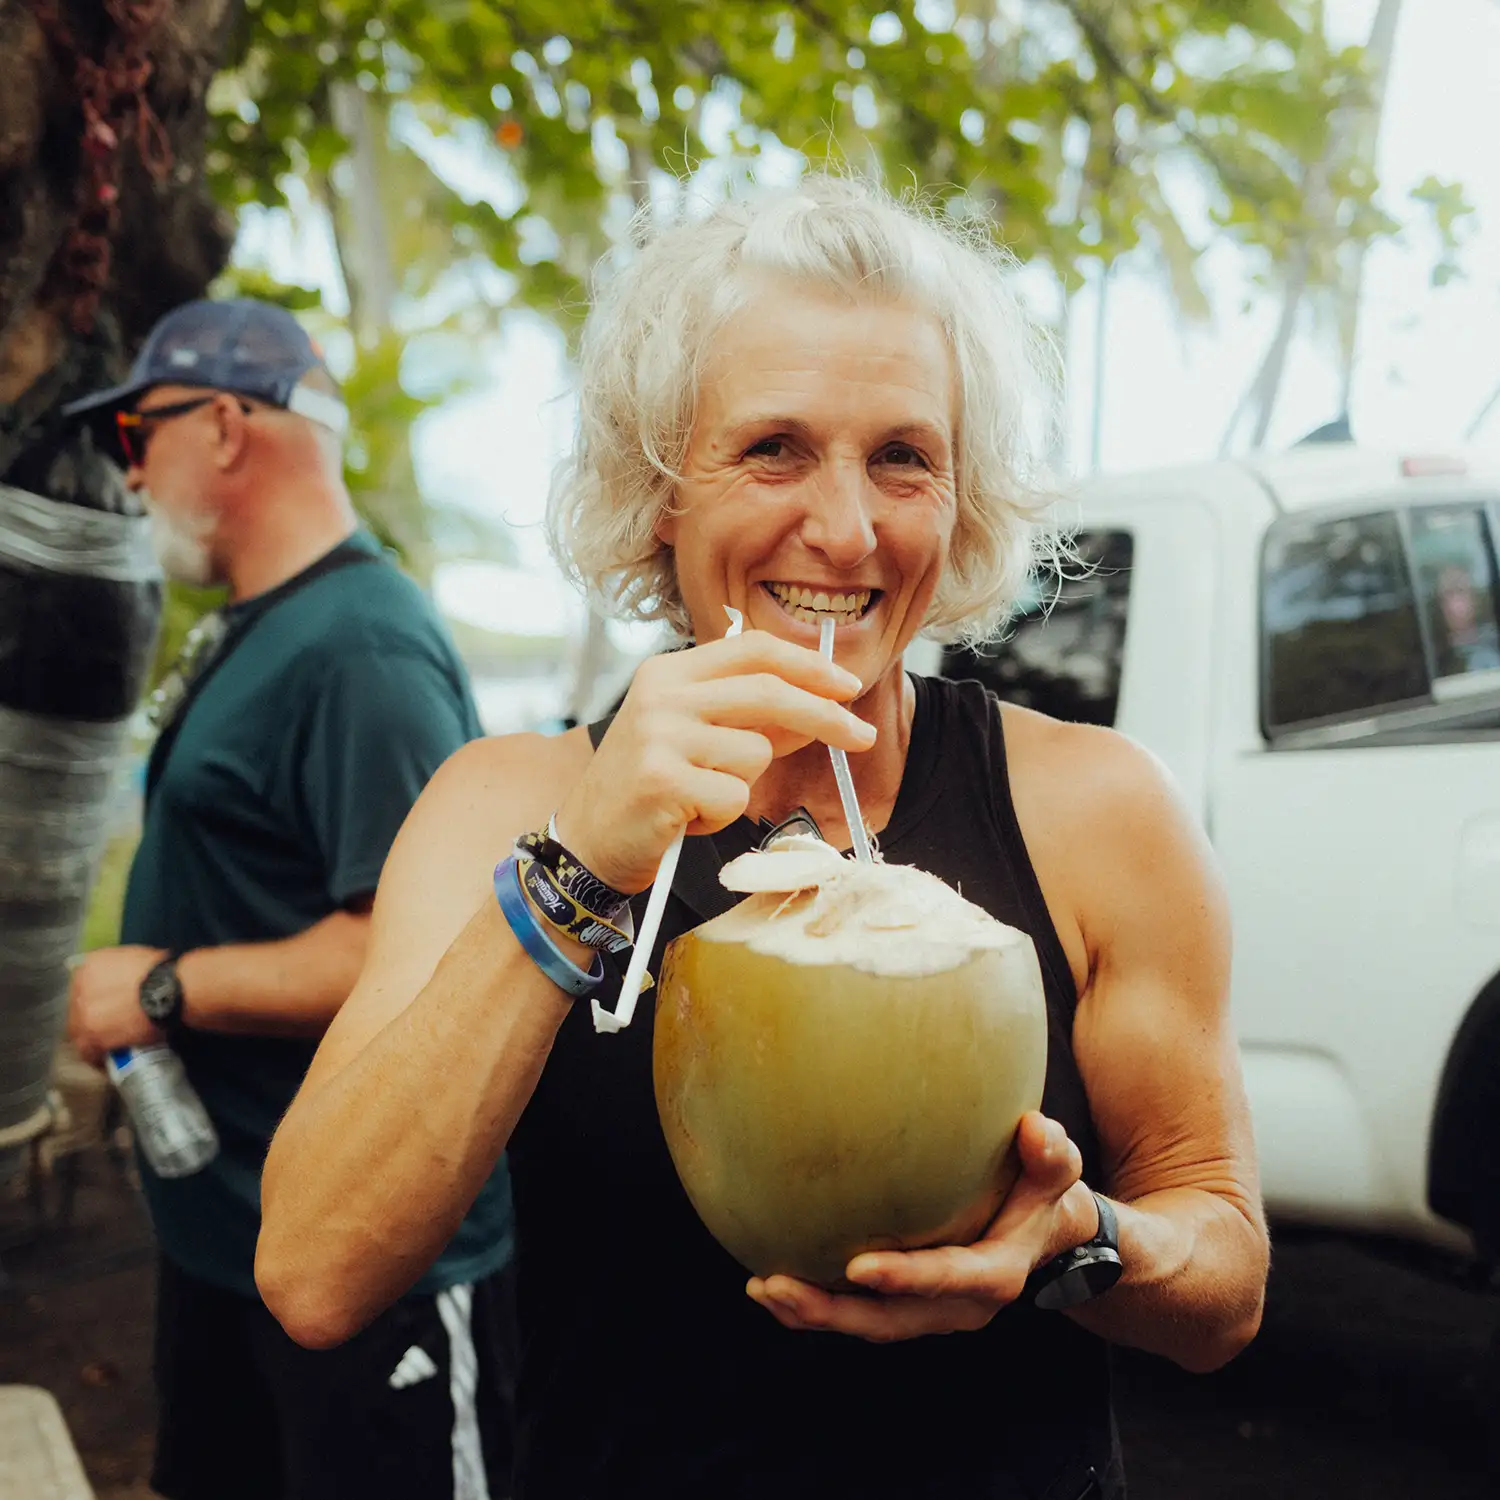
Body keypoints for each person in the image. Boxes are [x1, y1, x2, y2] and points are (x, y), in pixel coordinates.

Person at [256, 181, 1270, 1499]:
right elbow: (316, 1271)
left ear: (959, 503)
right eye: (775, 449)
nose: (845, 530)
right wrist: (584, 870)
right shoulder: (501, 809)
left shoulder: (1096, 813)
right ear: (659, 489)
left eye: (903, 456)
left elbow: (1226, 1272)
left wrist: (1079, 1248)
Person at [62, 299, 517, 1500]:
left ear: (221, 426)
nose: (127, 468)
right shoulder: (266, 628)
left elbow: (426, 956)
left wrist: (162, 986)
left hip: (374, 1268)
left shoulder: (362, 644)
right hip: (233, 1237)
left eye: (133, 434)